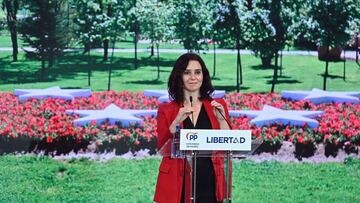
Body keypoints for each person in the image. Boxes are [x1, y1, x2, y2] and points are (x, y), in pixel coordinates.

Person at [154, 53, 232, 203]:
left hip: (210, 180)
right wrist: (176, 122)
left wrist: (222, 119)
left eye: (197, 72)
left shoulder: (217, 105)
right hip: (178, 182)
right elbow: (162, 147)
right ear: (179, 76)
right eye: (187, 73)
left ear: (204, 75)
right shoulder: (167, 109)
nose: (193, 77)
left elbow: (227, 143)